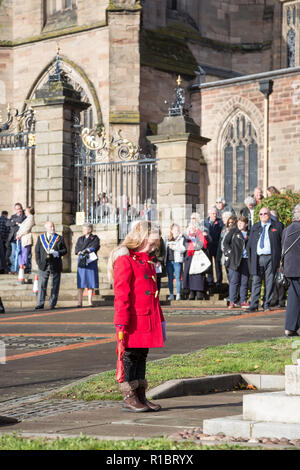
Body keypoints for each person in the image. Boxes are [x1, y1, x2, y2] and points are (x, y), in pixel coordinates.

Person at [108, 220, 165, 412]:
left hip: (147, 317)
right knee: (130, 356)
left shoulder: (146, 260)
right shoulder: (126, 259)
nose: (151, 248)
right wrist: (121, 322)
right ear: (140, 238)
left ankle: (140, 395)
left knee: (142, 355)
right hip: (132, 318)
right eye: (150, 244)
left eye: (154, 245)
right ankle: (129, 395)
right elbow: (121, 294)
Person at [246, 207, 283, 312]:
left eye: (265, 213)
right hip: (257, 258)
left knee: (269, 282)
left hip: (271, 258)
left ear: (269, 214)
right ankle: (254, 305)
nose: (263, 216)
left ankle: (266, 304)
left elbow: (282, 243)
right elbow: (249, 244)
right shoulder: (255, 227)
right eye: (261, 214)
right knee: (256, 281)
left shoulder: (278, 226)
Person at [35, 221, 67, 310]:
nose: (52, 228)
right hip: (43, 265)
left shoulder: (59, 238)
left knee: (55, 285)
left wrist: (58, 252)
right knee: (42, 285)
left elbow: (65, 250)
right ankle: (40, 303)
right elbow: (37, 252)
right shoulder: (41, 238)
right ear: (46, 228)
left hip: (55, 264)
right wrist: (39, 263)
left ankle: (52, 303)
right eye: (50, 227)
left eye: (53, 226)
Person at [223, 216, 250, 309]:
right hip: (234, 260)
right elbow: (225, 242)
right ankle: (232, 301)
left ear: (246, 224)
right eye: (238, 222)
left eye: (242, 223)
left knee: (244, 281)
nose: (239, 224)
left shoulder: (249, 233)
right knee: (234, 281)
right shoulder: (233, 231)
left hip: (246, 260)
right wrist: (230, 252)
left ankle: (243, 301)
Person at [282, 204, 300, 337]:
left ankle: (290, 328)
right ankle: (290, 328)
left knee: (294, 297)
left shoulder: (287, 229)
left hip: (290, 268)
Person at [75, 223, 100, 308]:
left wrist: (88, 250)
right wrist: (79, 252)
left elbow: (95, 246)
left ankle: (90, 301)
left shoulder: (95, 238)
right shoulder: (80, 238)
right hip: (82, 260)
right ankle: (79, 302)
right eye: (83, 228)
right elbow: (77, 248)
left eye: (85, 229)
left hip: (90, 261)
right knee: (81, 281)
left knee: (90, 281)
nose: (83, 230)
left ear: (89, 229)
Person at [183, 223, 209, 300]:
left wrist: (203, 236)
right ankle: (191, 292)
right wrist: (194, 246)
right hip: (190, 258)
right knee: (190, 276)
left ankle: (199, 292)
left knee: (199, 275)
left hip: (198, 258)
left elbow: (204, 245)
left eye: (194, 228)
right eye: (191, 228)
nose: (193, 229)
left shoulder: (200, 236)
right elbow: (185, 245)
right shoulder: (186, 237)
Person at [164, 223, 186, 300]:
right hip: (169, 261)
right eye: (175, 230)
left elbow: (183, 249)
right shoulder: (167, 239)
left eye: (178, 230)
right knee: (170, 278)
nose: (177, 231)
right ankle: (171, 294)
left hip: (177, 261)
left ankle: (178, 294)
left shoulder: (182, 238)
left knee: (178, 278)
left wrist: (174, 247)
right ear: (171, 230)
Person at [204, 208, 224, 292]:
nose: (214, 215)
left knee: (218, 264)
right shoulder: (204, 222)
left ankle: (219, 281)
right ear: (209, 214)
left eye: (215, 213)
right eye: (213, 213)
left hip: (217, 246)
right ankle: (210, 281)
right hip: (208, 247)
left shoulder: (220, 222)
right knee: (209, 265)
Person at [6, 203, 26, 274]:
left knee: (20, 254)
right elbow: (7, 223)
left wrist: (14, 221)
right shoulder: (13, 216)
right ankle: (14, 269)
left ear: (21, 208)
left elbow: (21, 221)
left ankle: (18, 269)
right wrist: (15, 222)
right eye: (17, 209)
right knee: (13, 254)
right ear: (15, 209)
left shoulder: (25, 216)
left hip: (21, 237)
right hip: (13, 238)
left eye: (20, 208)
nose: (19, 210)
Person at [15, 207, 35, 273]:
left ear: (29, 211)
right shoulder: (27, 218)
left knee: (24, 254)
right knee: (19, 253)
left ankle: (23, 268)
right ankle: (21, 267)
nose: (24, 211)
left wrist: (19, 235)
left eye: (25, 210)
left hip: (25, 238)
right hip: (21, 238)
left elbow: (26, 229)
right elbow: (22, 227)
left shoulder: (31, 218)